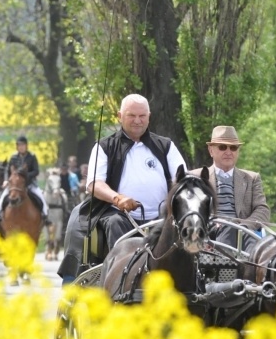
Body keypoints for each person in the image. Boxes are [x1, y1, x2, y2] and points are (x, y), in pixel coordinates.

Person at [58, 94, 187, 283]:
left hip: (161, 219)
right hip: (119, 216)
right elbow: (94, 184)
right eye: (131, 115)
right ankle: (120, 279)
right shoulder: (104, 147)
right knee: (114, 223)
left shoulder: (166, 146)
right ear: (120, 116)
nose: (137, 121)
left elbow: (183, 179)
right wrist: (118, 198)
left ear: (149, 116)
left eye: (142, 116)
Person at [190, 126, 270, 249]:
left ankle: (253, 267)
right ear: (211, 150)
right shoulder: (195, 177)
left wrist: (243, 225)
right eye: (222, 147)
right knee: (228, 227)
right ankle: (225, 264)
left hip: (243, 232)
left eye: (233, 147)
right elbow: (187, 209)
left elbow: (262, 210)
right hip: (209, 232)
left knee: (255, 240)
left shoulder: (252, 178)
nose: (228, 152)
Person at [0, 135, 49, 222]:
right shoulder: (13, 157)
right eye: (19, 145)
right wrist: (6, 180)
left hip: (29, 183)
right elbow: (7, 170)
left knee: (40, 195)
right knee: (3, 196)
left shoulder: (32, 156)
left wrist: (25, 176)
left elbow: (36, 171)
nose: (21, 147)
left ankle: (45, 214)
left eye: (23, 145)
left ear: (26, 146)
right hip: (14, 184)